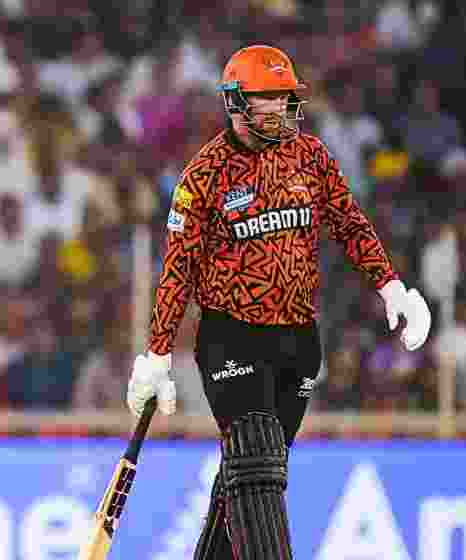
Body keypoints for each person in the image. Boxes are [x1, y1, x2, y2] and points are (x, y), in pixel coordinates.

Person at [124, 45, 432, 560]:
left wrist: (392, 288)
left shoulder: (309, 156)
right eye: (269, 102)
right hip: (231, 336)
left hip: (298, 340)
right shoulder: (205, 175)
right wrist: (157, 357)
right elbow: (177, 270)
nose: (283, 111)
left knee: (250, 478)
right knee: (257, 462)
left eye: (287, 100)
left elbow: (349, 222)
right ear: (237, 104)